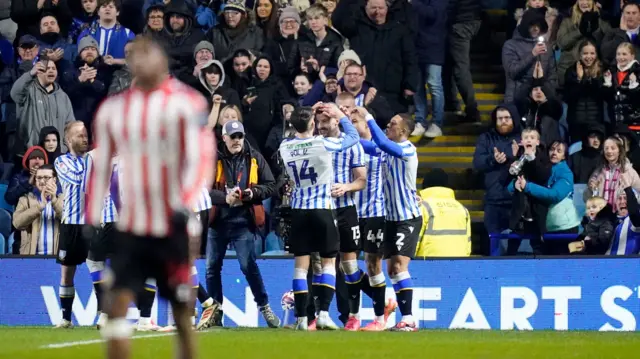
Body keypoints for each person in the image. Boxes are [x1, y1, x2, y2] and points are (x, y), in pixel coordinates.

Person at [85, 36, 214, 359]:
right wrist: (92, 214)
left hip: (172, 222)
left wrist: (184, 202)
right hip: (132, 225)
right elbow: (101, 166)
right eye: (134, 57)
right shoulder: (113, 109)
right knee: (116, 306)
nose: (141, 62)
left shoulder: (187, 103)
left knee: (182, 310)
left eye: (147, 55)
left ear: (162, 60)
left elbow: (202, 157)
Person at [279, 103, 359, 331]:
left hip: (299, 211)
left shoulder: (285, 146)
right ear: (313, 124)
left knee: (301, 267)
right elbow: (352, 137)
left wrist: (304, 114)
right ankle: (323, 313)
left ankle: (302, 319)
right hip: (322, 209)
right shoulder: (323, 143)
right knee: (327, 264)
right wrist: (339, 115)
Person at [206, 120, 280, 328]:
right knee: (212, 268)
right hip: (218, 220)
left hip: (243, 220)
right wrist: (223, 198)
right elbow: (203, 188)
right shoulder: (212, 158)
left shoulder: (254, 156)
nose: (237, 140)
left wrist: (251, 193)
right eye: (233, 137)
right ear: (224, 138)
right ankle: (215, 312)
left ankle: (264, 306)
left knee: (248, 266)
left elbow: (271, 185)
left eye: (240, 136)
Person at [359, 112, 423, 332]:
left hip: (407, 218)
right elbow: (364, 146)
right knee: (392, 270)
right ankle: (401, 316)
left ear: (403, 131)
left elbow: (381, 143)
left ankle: (409, 318)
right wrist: (338, 134)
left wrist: (368, 117)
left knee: (398, 266)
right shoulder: (386, 151)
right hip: (390, 218)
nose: (388, 125)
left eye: (393, 123)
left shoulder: (407, 149)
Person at [350, 105, 398, 331]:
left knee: (372, 264)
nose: (351, 126)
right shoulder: (346, 148)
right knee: (345, 264)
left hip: (375, 213)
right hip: (350, 212)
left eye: (355, 122)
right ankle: (382, 301)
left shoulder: (379, 149)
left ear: (367, 125)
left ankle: (379, 319)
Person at [53, 121, 90, 328]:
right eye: (79, 135)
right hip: (72, 224)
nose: (85, 138)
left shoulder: (93, 159)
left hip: (94, 223)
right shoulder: (62, 161)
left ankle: (104, 315)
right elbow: (78, 179)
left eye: (85, 135)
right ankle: (66, 318)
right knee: (67, 273)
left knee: (100, 270)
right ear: (68, 140)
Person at [515, 140, 581, 254]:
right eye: (552, 149)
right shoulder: (544, 168)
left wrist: (527, 186)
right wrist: (515, 185)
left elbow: (554, 195)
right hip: (546, 227)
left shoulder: (566, 173)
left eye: (559, 151)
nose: (554, 153)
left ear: (564, 156)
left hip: (565, 228)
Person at [472, 104, 522, 236]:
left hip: (517, 201)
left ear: (514, 119)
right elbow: (477, 163)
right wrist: (493, 159)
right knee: (493, 243)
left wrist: (515, 157)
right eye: (499, 118)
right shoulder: (486, 138)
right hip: (494, 200)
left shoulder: (523, 138)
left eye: (507, 118)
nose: (503, 121)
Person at [507, 128, 553, 255]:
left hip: (537, 208)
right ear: (522, 141)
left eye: (532, 138)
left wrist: (532, 159)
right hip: (521, 208)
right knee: (513, 244)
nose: (529, 140)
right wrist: (514, 183)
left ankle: (541, 270)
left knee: (538, 246)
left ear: (537, 142)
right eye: (526, 137)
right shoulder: (518, 157)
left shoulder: (543, 157)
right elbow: (511, 175)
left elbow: (543, 176)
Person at [556, 0, 611, 89]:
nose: (585, 2)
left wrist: (595, 29)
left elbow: (608, 46)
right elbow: (561, 43)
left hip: (594, 71)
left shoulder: (602, 22)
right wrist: (579, 31)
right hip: (568, 69)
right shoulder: (567, 22)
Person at [12, 163, 63, 255]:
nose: (42, 181)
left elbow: (69, 219)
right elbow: (17, 223)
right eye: (39, 178)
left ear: (54, 180)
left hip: (58, 259)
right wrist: (40, 206)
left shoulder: (64, 199)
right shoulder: (25, 200)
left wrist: (54, 200)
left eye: (47, 177)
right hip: (31, 258)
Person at [564, 39, 605, 142]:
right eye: (585, 53)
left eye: (592, 53)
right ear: (580, 55)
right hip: (576, 123)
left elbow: (603, 95)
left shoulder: (602, 70)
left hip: (596, 122)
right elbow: (569, 97)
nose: (589, 57)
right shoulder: (571, 71)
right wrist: (579, 79)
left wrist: (594, 80)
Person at [587, 136, 640, 208]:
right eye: (606, 148)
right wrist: (592, 188)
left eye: (613, 148)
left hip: (622, 215)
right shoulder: (598, 171)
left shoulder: (628, 171)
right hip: (602, 214)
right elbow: (588, 195)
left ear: (619, 151)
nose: (609, 151)